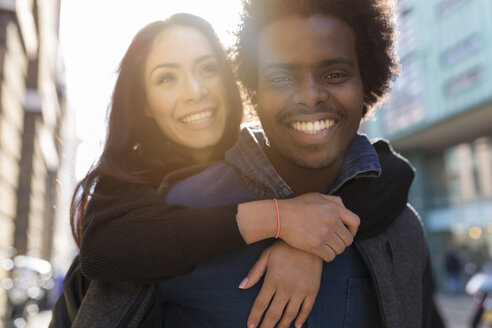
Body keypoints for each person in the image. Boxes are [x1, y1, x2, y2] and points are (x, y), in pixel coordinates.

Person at [50, 11, 418, 328]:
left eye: (207, 68)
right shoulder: (136, 190)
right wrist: (279, 219)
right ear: (143, 103)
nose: (194, 91)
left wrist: (314, 242)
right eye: (167, 78)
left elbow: (391, 175)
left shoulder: (278, 157)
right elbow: (104, 252)